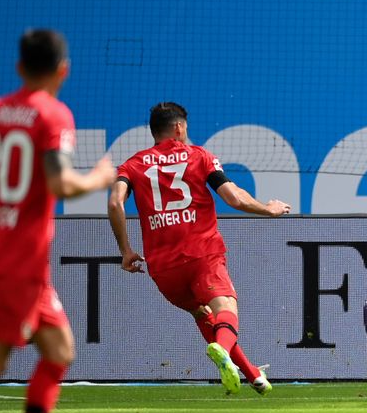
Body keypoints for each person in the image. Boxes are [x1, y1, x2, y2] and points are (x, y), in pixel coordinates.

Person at [0, 29, 116, 413]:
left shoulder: (2, 112)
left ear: (19, 67)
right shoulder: (53, 114)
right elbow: (59, 185)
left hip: (23, 260)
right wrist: (100, 177)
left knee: (60, 351)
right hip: (19, 260)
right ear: (63, 69)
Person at [107, 102, 290, 396]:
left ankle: (252, 374)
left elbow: (116, 202)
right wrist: (267, 209)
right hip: (201, 254)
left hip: (163, 268)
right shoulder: (199, 156)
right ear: (179, 128)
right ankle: (223, 350)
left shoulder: (133, 165)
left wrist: (126, 250)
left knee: (202, 313)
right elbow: (234, 198)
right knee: (226, 309)